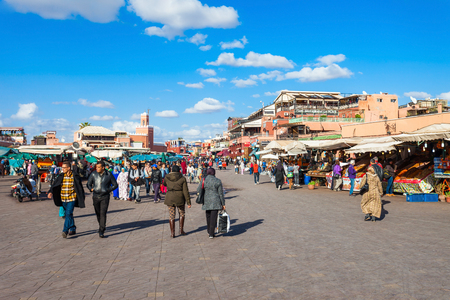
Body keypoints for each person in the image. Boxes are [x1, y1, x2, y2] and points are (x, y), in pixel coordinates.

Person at [48, 161, 85, 238]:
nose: (62, 169)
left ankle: (65, 230)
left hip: (72, 198)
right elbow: (55, 184)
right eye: (62, 168)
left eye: (64, 168)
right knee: (69, 214)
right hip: (63, 198)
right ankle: (72, 228)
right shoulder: (61, 176)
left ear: (69, 168)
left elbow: (79, 187)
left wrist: (81, 197)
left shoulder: (75, 176)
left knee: (68, 213)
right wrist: (51, 192)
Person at [86, 161, 118, 238]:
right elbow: (88, 184)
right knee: (98, 213)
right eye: (96, 167)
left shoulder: (109, 174)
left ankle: (101, 230)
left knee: (103, 213)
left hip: (105, 196)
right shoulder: (93, 174)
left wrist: (108, 190)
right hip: (96, 196)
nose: (97, 168)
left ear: (103, 167)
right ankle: (101, 225)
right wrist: (91, 189)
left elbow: (115, 184)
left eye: (98, 167)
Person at [162, 165, 191, 238]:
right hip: (180, 197)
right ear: (179, 170)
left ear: (171, 170)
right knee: (181, 213)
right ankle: (181, 230)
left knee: (171, 215)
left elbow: (164, 184)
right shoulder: (182, 178)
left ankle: (172, 233)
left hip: (170, 197)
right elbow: (185, 191)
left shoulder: (167, 177)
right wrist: (188, 202)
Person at [198, 168, 225, 239]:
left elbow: (199, 189)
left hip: (206, 200)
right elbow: (221, 194)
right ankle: (211, 233)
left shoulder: (204, 180)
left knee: (208, 216)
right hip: (215, 201)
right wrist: (223, 203)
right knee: (213, 217)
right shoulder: (218, 181)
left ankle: (209, 230)